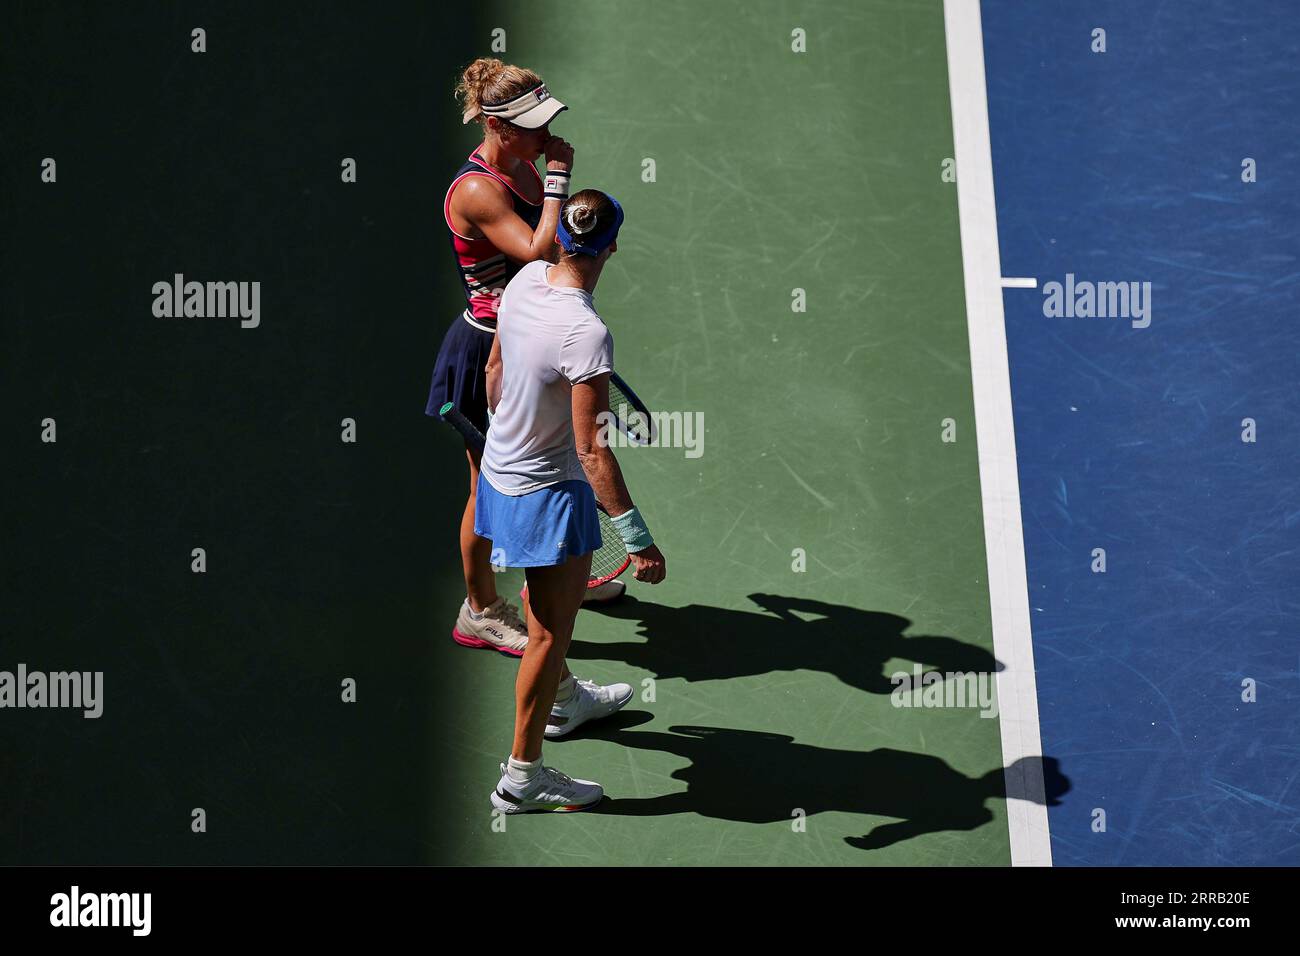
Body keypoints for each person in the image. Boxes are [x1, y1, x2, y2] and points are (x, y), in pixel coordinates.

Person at [476, 189, 667, 812]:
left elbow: (496, 370)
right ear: (611, 245)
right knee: (546, 637)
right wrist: (637, 537)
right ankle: (522, 778)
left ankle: (566, 700)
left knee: (542, 609)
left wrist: (518, 429)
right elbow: (591, 450)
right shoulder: (587, 334)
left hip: (499, 476)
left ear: (562, 238)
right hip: (547, 496)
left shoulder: (527, 278)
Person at [428, 59, 622, 659]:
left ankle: (559, 576)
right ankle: (480, 609)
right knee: (484, 487)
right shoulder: (481, 188)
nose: (547, 137)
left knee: (562, 454)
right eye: (533, 127)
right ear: (496, 126)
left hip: (527, 337)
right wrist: (561, 178)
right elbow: (540, 248)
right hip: (489, 348)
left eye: (547, 124)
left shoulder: (520, 165)